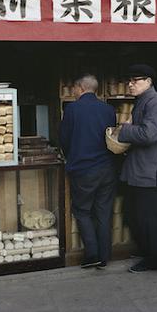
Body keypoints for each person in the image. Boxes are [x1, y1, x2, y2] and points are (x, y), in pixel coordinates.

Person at [117, 64, 157, 273]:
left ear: (149, 81)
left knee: (149, 218)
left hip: (152, 171)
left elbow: (150, 134)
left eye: (136, 80)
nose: (130, 84)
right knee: (138, 215)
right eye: (129, 80)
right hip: (143, 170)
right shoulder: (144, 100)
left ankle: (153, 260)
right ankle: (148, 253)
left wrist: (124, 130)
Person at [59, 74, 117, 269]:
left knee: (82, 211)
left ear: (80, 87)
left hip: (83, 169)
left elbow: (64, 139)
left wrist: (70, 155)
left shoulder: (72, 109)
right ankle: (105, 256)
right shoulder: (109, 109)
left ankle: (92, 254)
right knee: (103, 212)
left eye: (74, 88)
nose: (73, 92)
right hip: (107, 168)